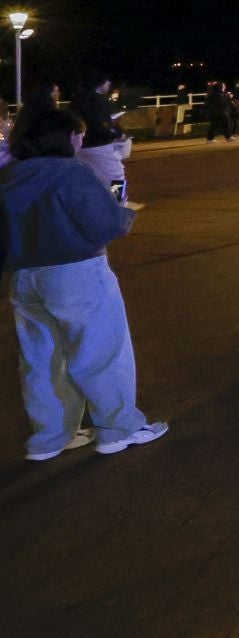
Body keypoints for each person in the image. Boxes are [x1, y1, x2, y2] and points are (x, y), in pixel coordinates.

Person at [2, 107, 168, 460]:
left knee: (41, 359)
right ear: (62, 137)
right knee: (101, 352)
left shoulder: (9, 175)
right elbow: (106, 224)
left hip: (24, 277)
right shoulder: (70, 173)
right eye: (77, 133)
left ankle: (50, 438)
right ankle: (118, 429)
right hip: (77, 273)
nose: (81, 139)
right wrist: (124, 211)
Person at [74, 76, 133, 198]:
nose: (109, 84)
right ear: (99, 83)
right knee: (117, 177)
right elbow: (99, 124)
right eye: (107, 81)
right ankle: (116, 206)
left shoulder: (80, 98)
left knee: (91, 177)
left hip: (81, 146)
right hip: (98, 145)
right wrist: (117, 134)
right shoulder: (97, 99)